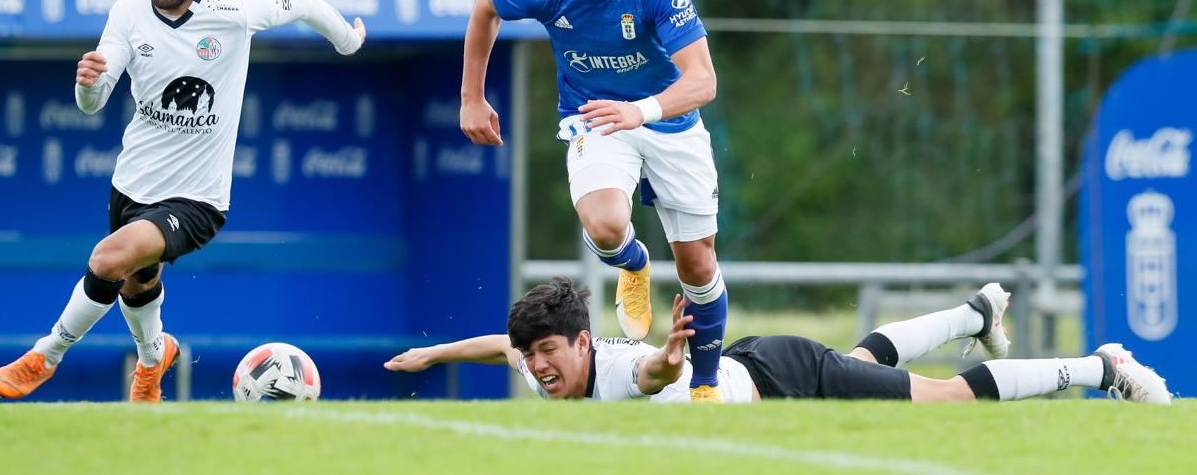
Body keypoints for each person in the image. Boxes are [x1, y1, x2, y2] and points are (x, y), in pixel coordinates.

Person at [0, 0, 366, 403]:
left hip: (197, 200)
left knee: (108, 259)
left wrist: (347, 41)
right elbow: (93, 103)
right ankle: (153, 360)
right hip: (131, 185)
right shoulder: (128, 12)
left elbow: (300, 3)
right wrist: (87, 84)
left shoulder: (234, 10)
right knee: (137, 282)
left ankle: (44, 356)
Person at [460, 0, 728, 401]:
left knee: (698, 264)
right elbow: (485, 5)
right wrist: (472, 97)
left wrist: (640, 111)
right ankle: (632, 263)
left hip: (668, 120)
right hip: (595, 117)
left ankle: (705, 386)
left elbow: (703, 80)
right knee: (605, 226)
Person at [385, 276, 1172, 405]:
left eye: (550, 353)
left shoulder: (618, 371)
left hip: (778, 375)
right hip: (756, 366)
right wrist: (434, 354)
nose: (539, 367)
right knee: (860, 364)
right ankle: (975, 314)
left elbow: (652, 374)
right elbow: (501, 345)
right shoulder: (539, 365)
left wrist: (670, 356)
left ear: (584, 343)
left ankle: (1100, 366)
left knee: (942, 398)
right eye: (535, 357)